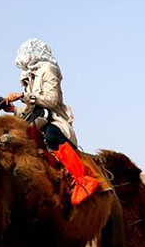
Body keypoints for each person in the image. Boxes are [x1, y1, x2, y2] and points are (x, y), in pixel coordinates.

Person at [6, 38, 99, 205]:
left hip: (53, 118)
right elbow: (30, 111)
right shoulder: (29, 76)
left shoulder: (48, 70)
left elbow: (51, 100)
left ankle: (82, 179)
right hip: (37, 119)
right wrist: (13, 110)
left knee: (51, 136)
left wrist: (23, 96)